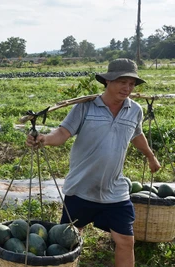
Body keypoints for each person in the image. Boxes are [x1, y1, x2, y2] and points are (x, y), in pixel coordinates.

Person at [26, 58, 161, 267]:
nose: (127, 88)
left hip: (115, 190)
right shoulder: (85, 107)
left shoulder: (135, 110)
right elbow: (63, 133)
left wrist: (151, 156)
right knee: (69, 242)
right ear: (108, 81)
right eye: (122, 82)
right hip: (81, 189)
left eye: (132, 84)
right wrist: (44, 138)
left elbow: (137, 135)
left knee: (126, 241)